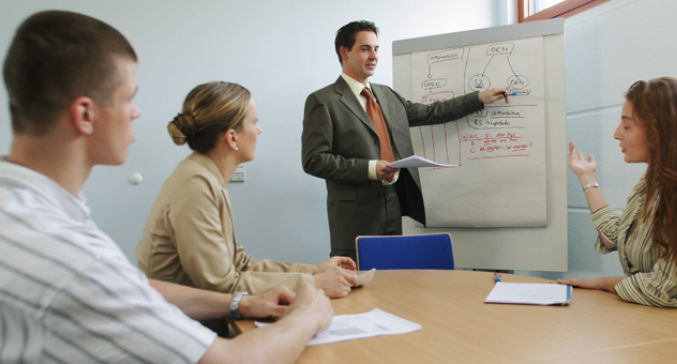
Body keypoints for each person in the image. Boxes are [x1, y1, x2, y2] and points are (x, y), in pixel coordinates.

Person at [0, 10, 332, 363]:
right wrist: (308, 316)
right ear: (85, 114)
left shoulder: (29, 213)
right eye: (128, 97)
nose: (137, 112)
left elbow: (132, 286)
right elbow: (233, 361)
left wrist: (241, 302)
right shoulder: (71, 257)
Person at [137, 82, 357, 334]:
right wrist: (311, 283)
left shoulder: (205, 176)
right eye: (254, 122)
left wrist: (315, 269)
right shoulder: (196, 185)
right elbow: (221, 287)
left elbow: (238, 263)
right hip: (177, 333)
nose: (259, 130)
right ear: (232, 137)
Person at [301, 20, 509, 260]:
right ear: (344, 52)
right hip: (354, 214)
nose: (374, 56)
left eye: (376, 49)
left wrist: (478, 98)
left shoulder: (386, 95)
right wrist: (369, 169)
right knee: (356, 283)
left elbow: (430, 113)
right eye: (365, 48)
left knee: (392, 279)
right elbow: (314, 160)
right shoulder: (323, 101)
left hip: (393, 202)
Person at [559, 77, 677, 313]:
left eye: (627, 126)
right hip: (647, 319)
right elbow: (615, 237)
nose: (617, 134)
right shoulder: (652, 182)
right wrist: (586, 177)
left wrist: (602, 283)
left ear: (660, 131)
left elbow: (661, 290)